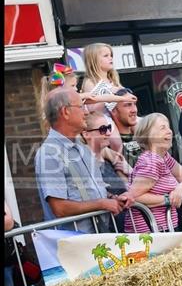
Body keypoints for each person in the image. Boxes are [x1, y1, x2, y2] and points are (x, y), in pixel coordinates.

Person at [34, 88, 133, 233]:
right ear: (65, 112)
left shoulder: (83, 149)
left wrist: (114, 199)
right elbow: (59, 208)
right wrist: (102, 204)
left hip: (96, 240)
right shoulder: (48, 153)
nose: (86, 112)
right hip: (74, 245)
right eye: (81, 107)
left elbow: (93, 191)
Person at [124, 113, 182, 233]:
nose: (169, 131)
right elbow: (134, 197)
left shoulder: (164, 157)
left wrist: (180, 190)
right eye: (163, 128)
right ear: (148, 135)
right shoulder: (151, 160)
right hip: (150, 232)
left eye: (169, 127)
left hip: (164, 227)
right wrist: (168, 199)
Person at [38, 63, 137, 131]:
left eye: (76, 86)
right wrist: (85, 95)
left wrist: (123, 98)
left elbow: (100, 98)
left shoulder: (75, 99)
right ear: (61, 87)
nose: (76, 89)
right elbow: (96, 98)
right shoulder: (57, 102)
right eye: (72, 86)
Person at [80, 42, 131, 153]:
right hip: (104, 117)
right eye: (106, 56)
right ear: (94, 61)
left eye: (111, 55)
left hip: (119, 115)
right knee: (117, 143)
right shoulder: (90, 82)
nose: (110, 58)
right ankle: (119, 164)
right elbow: (92, 109)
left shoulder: (113, 79)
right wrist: (110, 96)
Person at [111, 87, 142, 169]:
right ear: (114, 110)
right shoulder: (110, 143)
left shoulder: (143, 137)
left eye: (134, 104)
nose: (134, 110)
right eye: (128, 105)